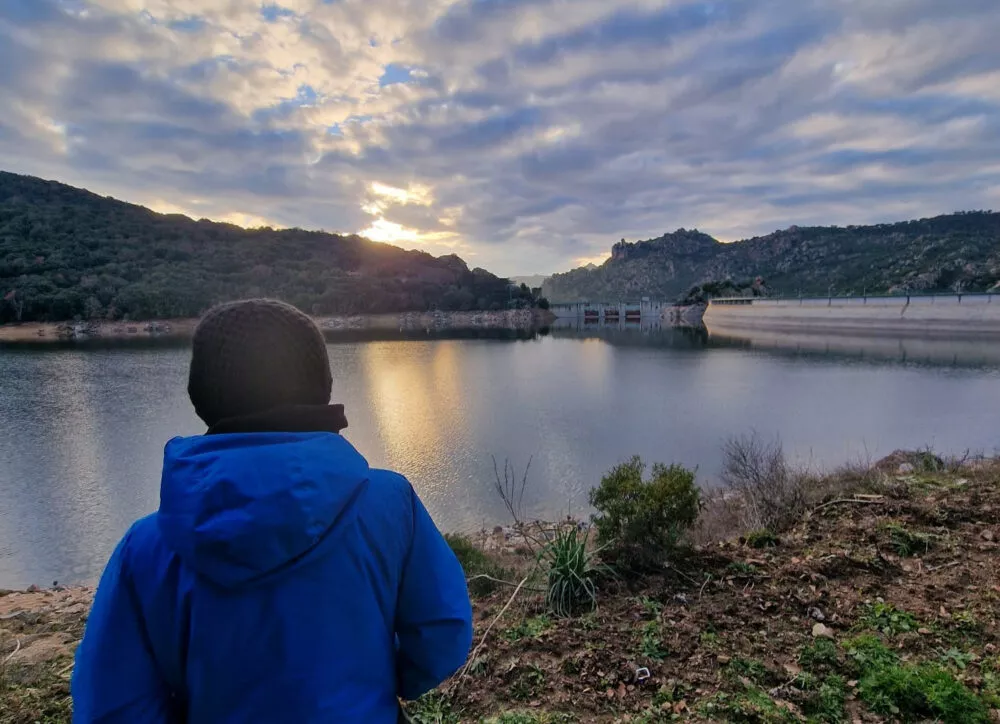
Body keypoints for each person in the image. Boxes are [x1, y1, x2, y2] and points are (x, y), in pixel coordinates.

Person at [72, 299, 473, 723]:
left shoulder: (146, 548)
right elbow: (442, 631)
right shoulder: (391, 504)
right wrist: (375, 681)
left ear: (200, 395)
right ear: (323, 386)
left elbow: (111, 704)